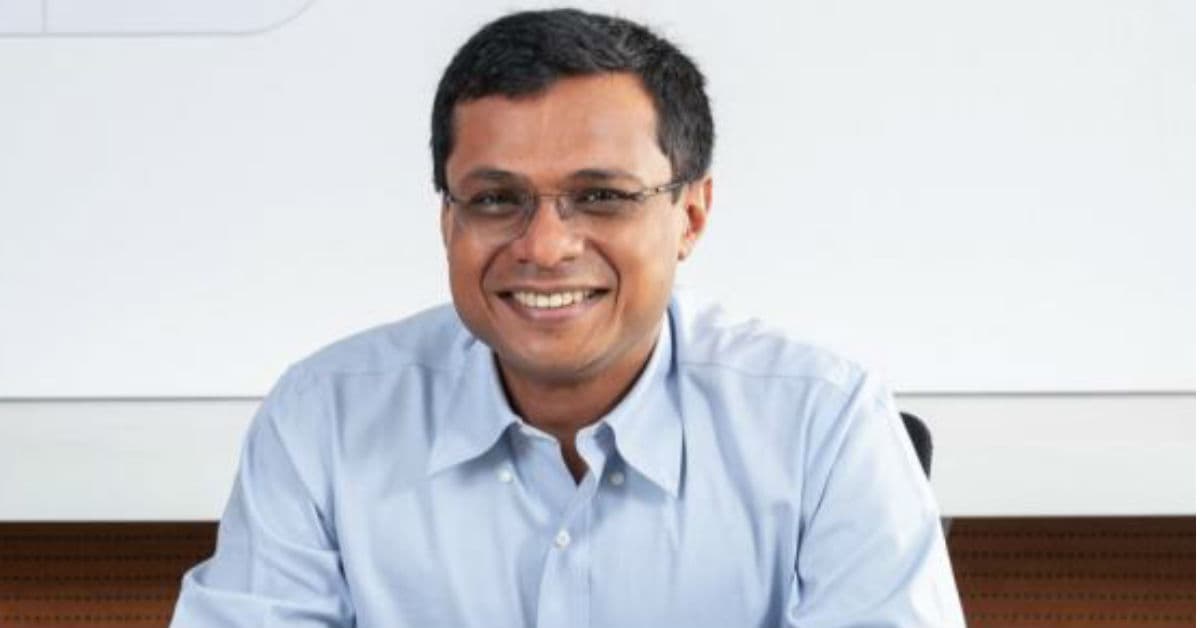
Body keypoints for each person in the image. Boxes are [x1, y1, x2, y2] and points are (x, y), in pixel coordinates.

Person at [170, 8, 965, 627]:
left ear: (691, 216)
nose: (545, 247)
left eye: (602, 196)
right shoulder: (324, 420)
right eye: (495, 199)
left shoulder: (824, 422)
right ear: (448, 219)